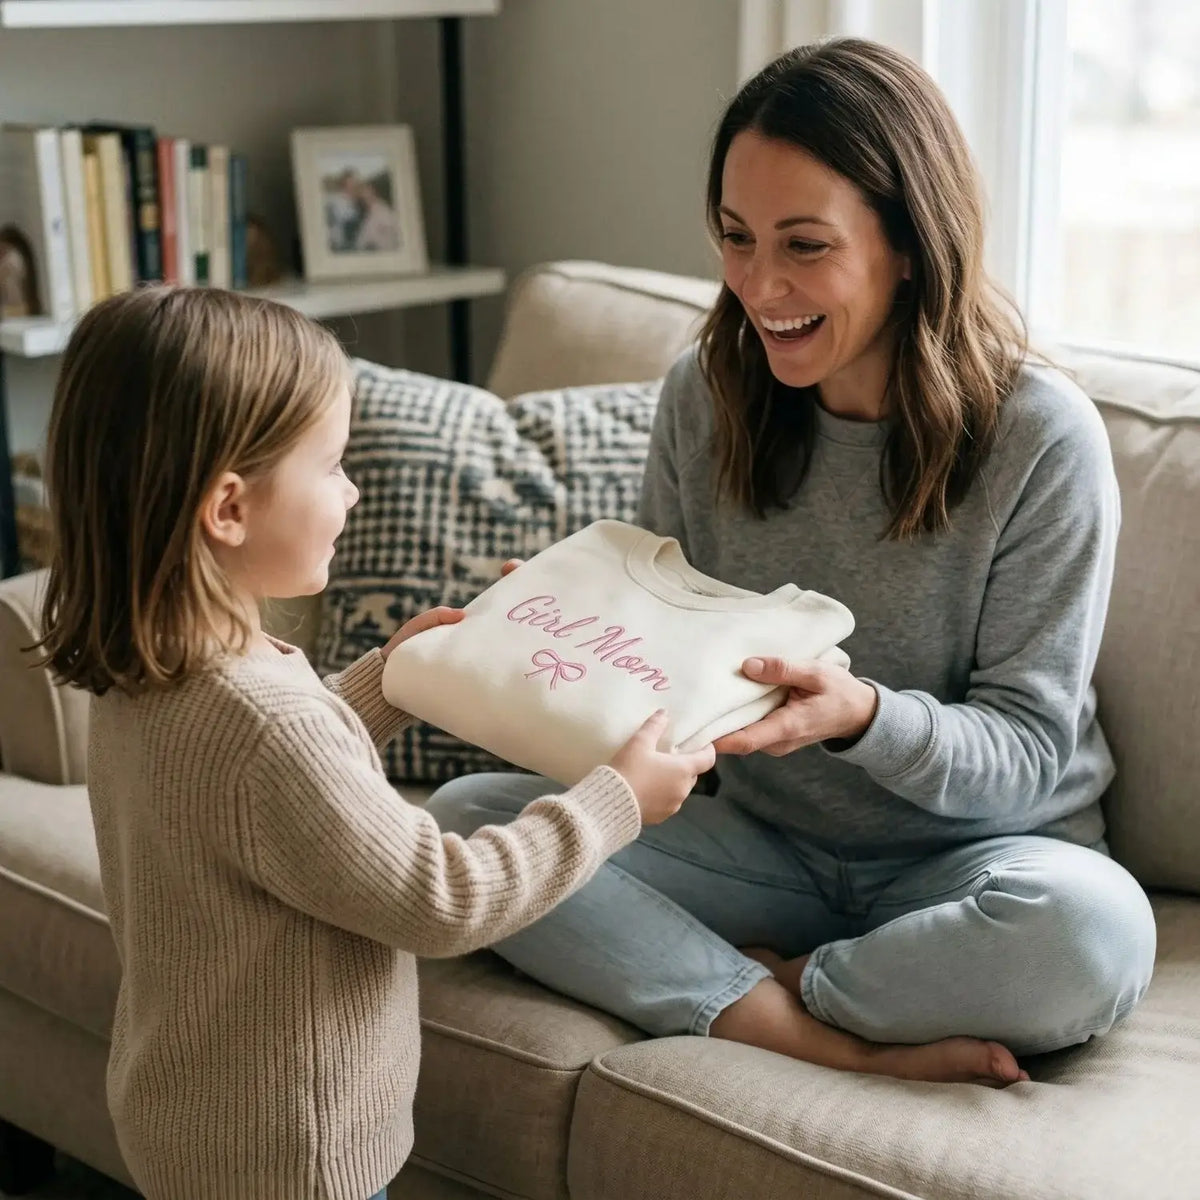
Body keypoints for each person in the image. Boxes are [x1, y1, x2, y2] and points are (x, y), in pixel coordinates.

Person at [426, 37, 1157, 1087]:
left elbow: (1031, 749)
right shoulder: (704, 396)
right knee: (469, 827)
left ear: (908, 242)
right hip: (752, 847)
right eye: (735, 237)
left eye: (805, 245)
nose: (760, 286)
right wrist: (562, 637)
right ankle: (783, 1025)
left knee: (1091, 936)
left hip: (972, 866)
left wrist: (862, 717)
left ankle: (788, 987)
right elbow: (665, 684)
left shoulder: (1043, 439)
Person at [37, 286, 715, 1200]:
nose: (353, 489)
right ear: (229, 508)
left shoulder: (154, 672)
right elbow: (445, 898)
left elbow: (268, 806)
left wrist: (385, 682)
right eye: (333, 466)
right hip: (295, 1160)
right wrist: (613, 802)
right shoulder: (266, 724)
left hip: (189, 1125)